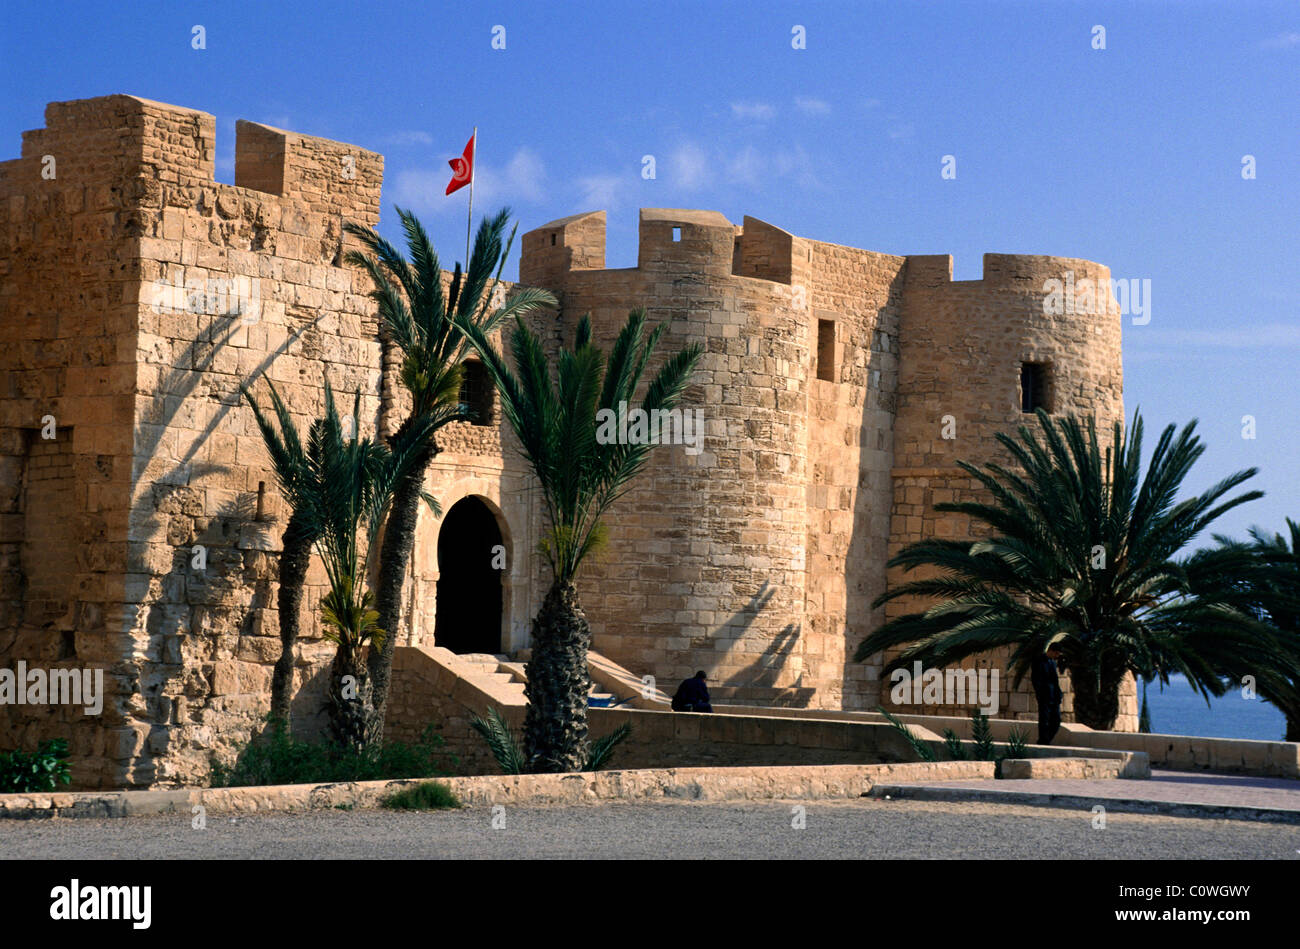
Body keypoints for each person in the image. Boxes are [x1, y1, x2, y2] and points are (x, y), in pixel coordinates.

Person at [1030, 645, 1064, 745]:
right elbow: (1036, 679)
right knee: (1044, 720)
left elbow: (1055, 680)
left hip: (1054, 696)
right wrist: (1040, 693)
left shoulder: (1052, 663)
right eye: (1056, 653)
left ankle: (1046, 739)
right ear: (1051, 651)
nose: (1057, 656)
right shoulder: (1038, 661)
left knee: (1056, 721)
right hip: (1044, 695)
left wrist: (1058, 693)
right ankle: (1043, 741)